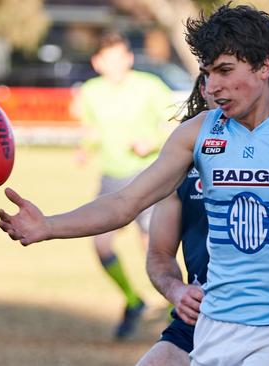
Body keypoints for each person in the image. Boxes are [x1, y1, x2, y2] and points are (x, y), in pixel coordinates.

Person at [0, 4, 269, 365]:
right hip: (213, 326)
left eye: (225, 71)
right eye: (207, 73)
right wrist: (48, 226)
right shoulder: (198, 133)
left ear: (264, 66)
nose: (212, 87)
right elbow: (126, 201)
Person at [73, 31, 175, 339]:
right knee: (101, 244)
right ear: (97, 62)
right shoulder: (90, 92)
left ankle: (177, 309)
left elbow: (174, 123)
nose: (116, 65)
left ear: (128, 58)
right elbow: (93, 130)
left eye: (120, 58)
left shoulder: (149, 87)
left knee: (152, 249)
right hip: (111, 179)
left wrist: (152, 142)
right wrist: (85, 149)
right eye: (108, 59)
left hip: (146, 176)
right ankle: (133, 301)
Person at [136, 74, 213, 366]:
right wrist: (176, 291)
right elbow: (159, 254)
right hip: (199, 315)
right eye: (210, 77)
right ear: (202, 89)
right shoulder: (183, 163)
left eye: (227, 72)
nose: (218, 87)